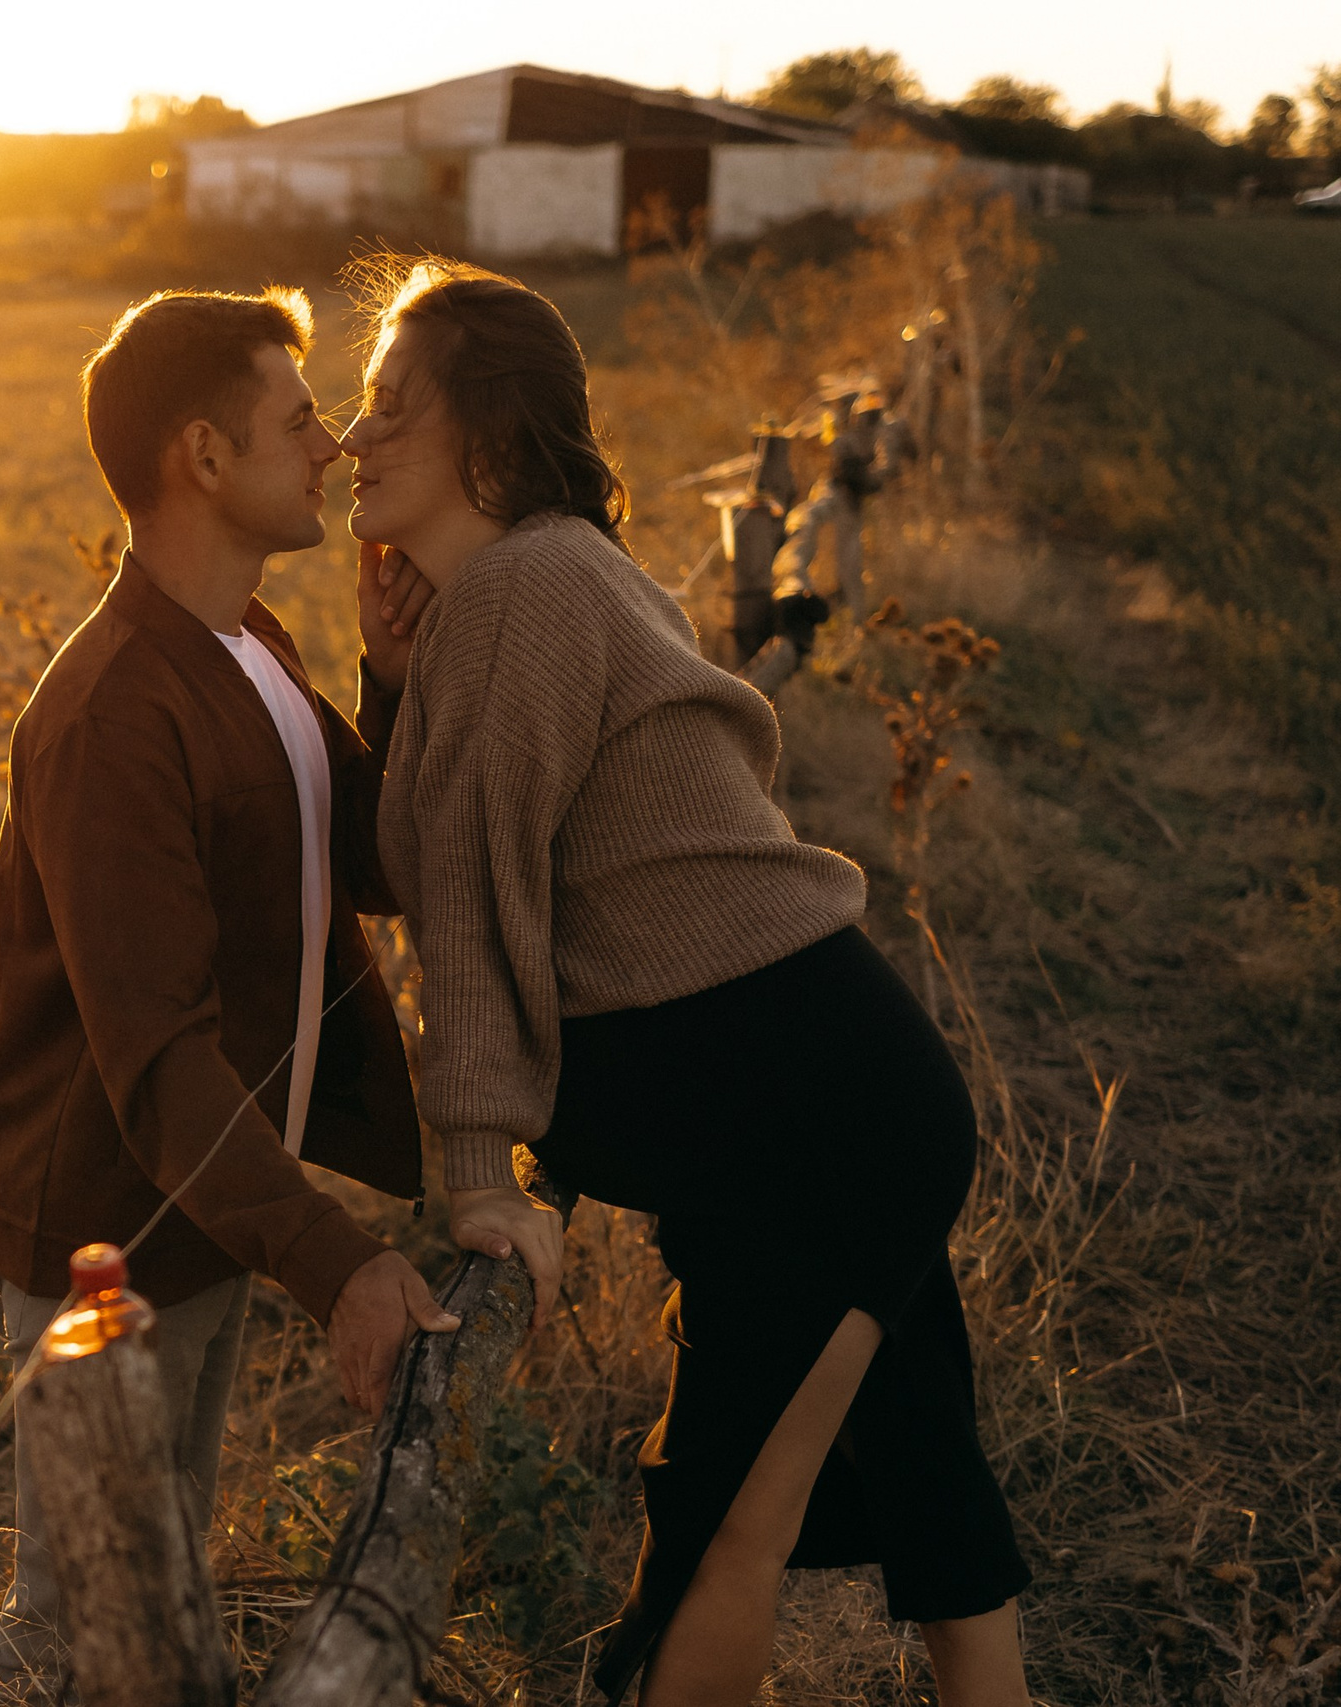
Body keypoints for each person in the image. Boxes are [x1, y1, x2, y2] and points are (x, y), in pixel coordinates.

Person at [341, 258, 1033, 1707]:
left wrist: (476, 1170)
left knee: (726, 1527)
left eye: (389, 408)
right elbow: (427, 851)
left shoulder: (528, 587)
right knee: (910, 1443)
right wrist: (388, 676)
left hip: (803, 1110)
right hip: (802, 1101)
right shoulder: (524, 589)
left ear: (489, 439)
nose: (354, 440)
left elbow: (464, 898)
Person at [0, 287, 450, 1706]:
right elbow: (158, 1060)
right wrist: (337, 1262)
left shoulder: (257, 650)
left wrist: (396, 686)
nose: (337, 444)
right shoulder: (114, 713)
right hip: (106, 1232)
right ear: (204, 456)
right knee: (71, 1615)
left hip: (216, 1191)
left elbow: (371, 861)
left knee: (157, 1591)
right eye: (299, 419)